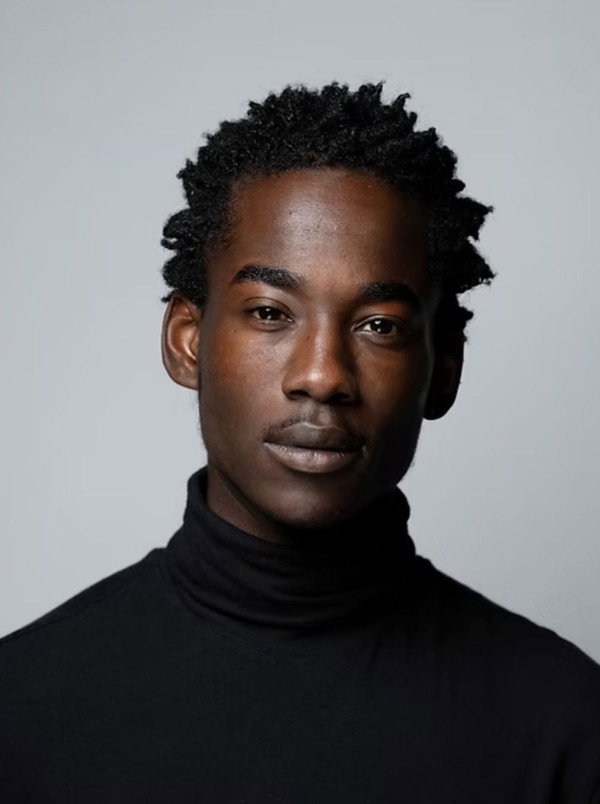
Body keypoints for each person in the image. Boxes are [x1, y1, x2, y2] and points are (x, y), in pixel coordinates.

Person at [1, 82, 599, 803]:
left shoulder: (565, 725)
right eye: (269, 312)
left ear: (443, 370)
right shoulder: (21, 711)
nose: (322, 375)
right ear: (187, 342)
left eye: (379, 325)